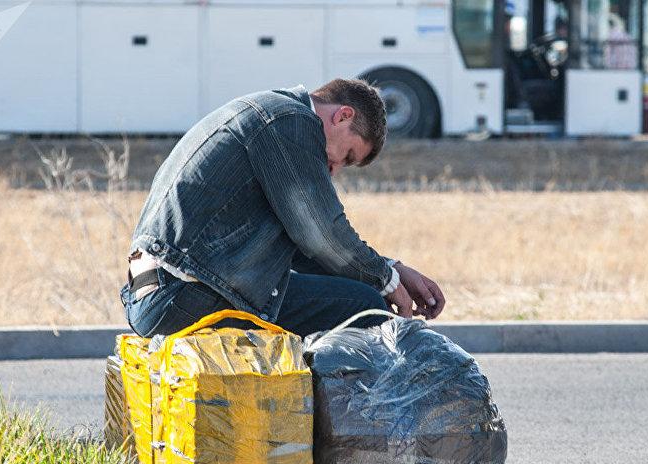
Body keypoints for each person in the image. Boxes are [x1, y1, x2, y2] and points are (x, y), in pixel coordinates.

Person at [119, 79, 445, 338]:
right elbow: (322, 236)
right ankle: (336, 423)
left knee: (355, 294)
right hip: (184, 295)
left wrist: (392, 269)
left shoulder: (268, 112)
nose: (335, 169)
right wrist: (384, 281)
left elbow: (308, 251)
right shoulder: (291, 121)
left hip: (160, 292)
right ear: (344, 115)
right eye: (347, 155)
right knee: (365, 307)